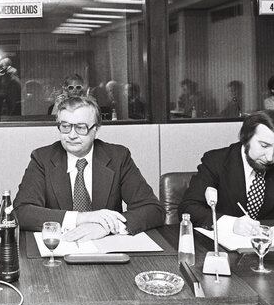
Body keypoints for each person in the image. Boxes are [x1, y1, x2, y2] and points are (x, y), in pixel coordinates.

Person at [13, 96, 165, 242]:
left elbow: (152, 209)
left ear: (96, 129)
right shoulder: (42, 158)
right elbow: (21, 212)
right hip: (61, 246)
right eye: (65, 127)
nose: (72, 135)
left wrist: (107, 227)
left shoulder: (118, 157)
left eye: (80, 128)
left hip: (107, 248)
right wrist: (82, 218)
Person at [178, 110, 274, 238]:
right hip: (222, 248)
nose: (270, 157)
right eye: (264, 146)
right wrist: (232, 224)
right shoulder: (216, 161)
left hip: (269, 250)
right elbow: (188, 208)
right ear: (246, 138)